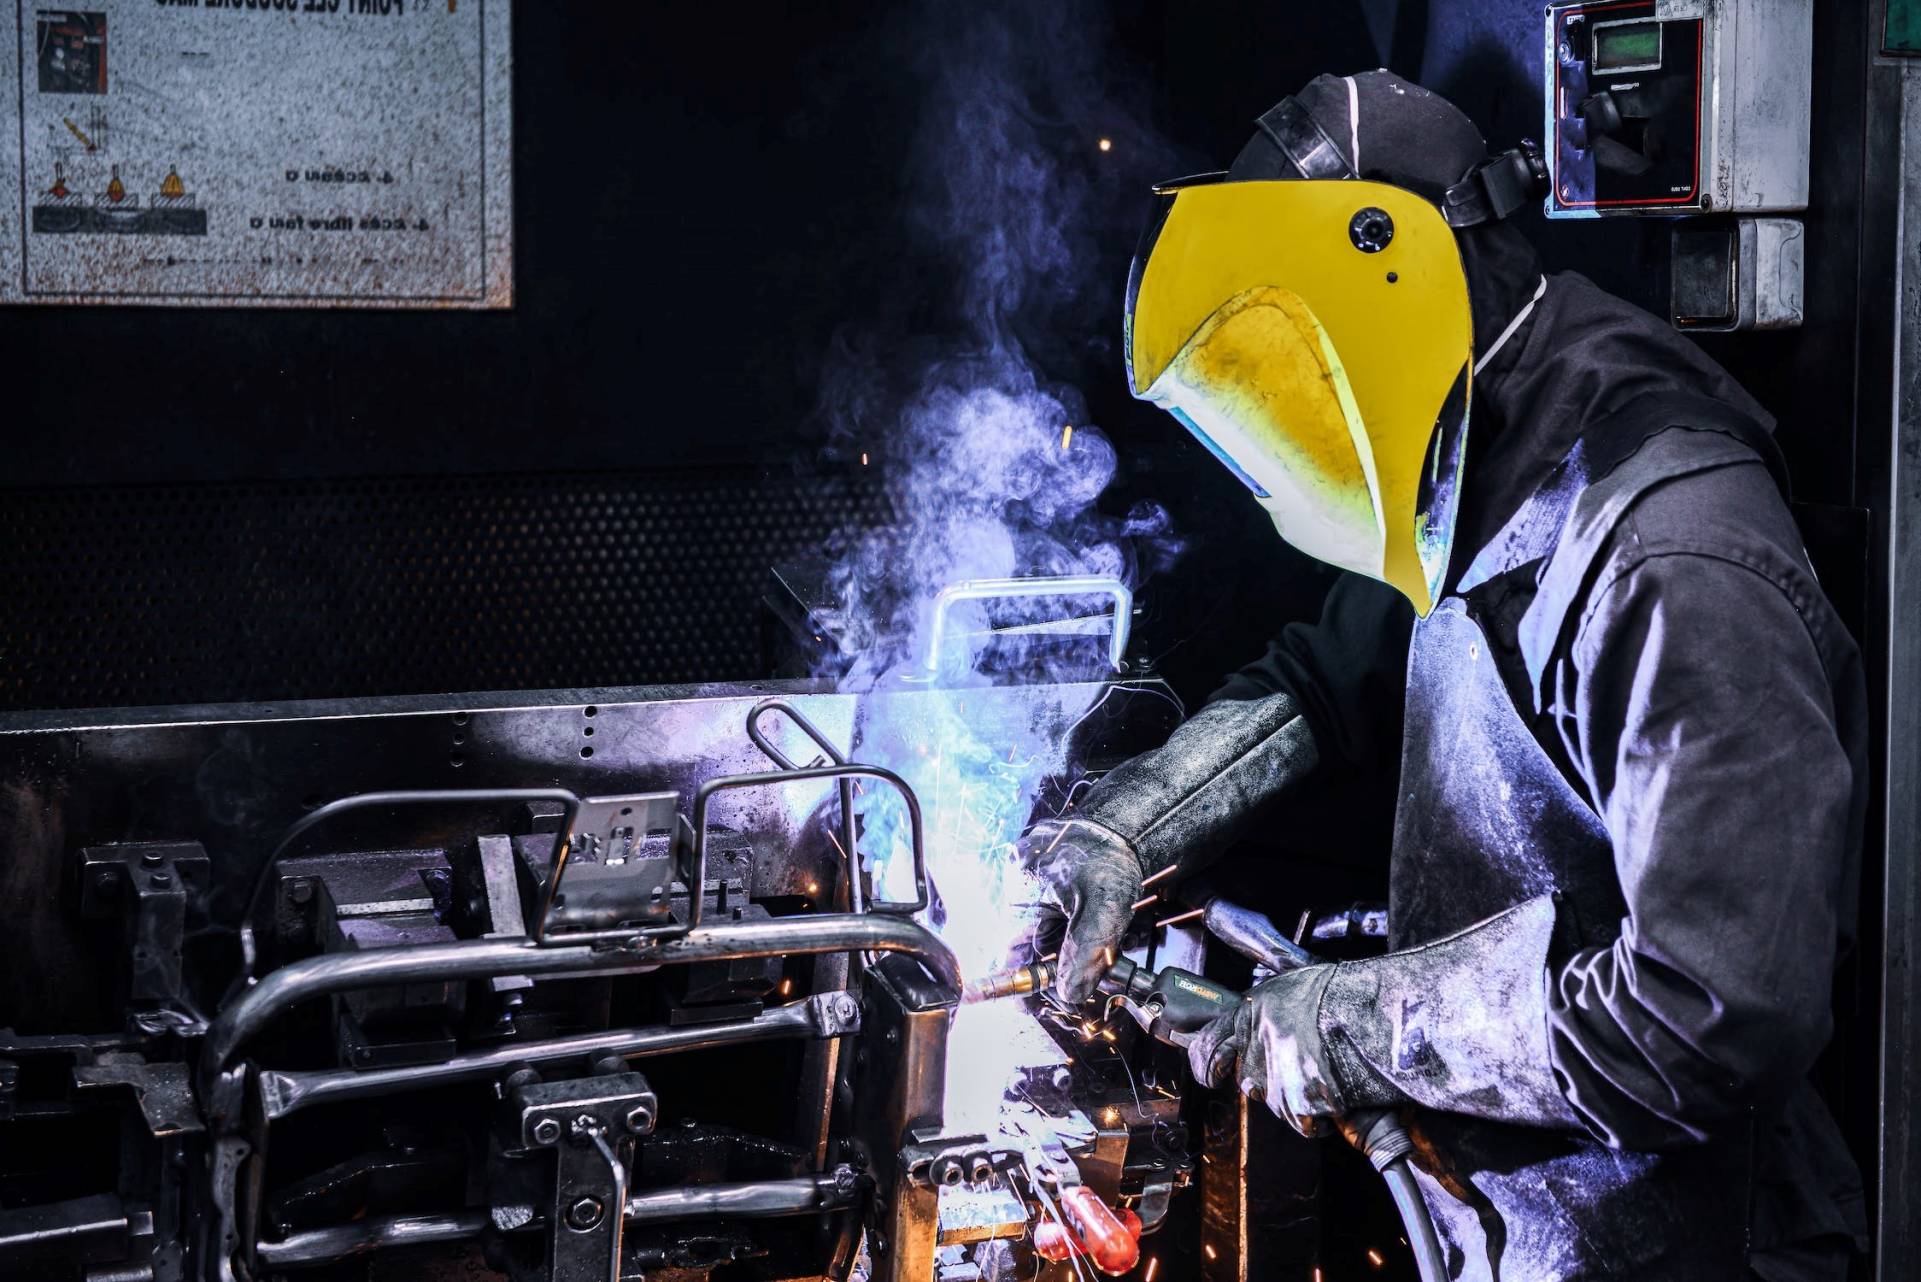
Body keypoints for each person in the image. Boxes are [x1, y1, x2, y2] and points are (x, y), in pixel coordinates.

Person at [1022, 71, 1867, 1280]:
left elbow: (1711, 1016)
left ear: (1388, 275)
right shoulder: (1474, 439)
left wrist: (1354, 1024)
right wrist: (1125, 830)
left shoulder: (1669, 557)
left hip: (1686, 1245)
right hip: (1519, 1226)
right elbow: (1325, 677)